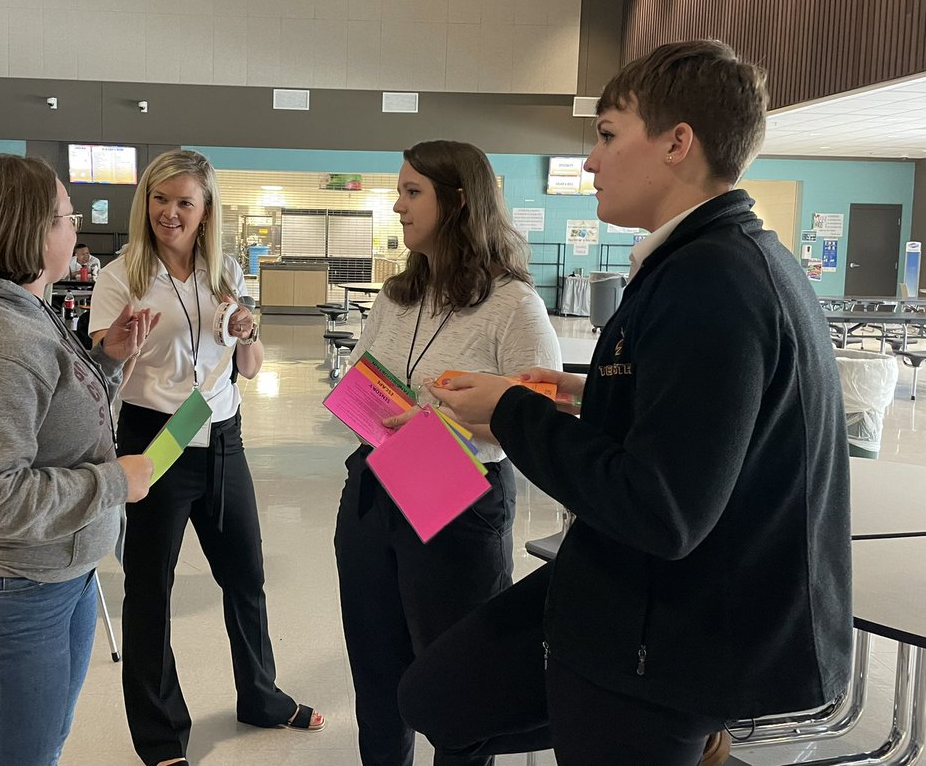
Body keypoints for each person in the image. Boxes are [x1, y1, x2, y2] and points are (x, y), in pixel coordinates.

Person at [403, 40, 852, 766]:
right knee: (438, 695)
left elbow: (663, 508)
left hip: (669, 642)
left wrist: (513, 414)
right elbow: (696, 418)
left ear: (679, 143)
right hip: (631, 608)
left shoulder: (714, 284)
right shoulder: (705, 263)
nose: (589, 161)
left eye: (608, 136)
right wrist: (596, 391)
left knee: (453, 699)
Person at [0, 154, 156, 766]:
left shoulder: (27, 312)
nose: (77, 231)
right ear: (30, 231)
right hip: (9, 587)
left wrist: (107, 362)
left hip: (57, 569)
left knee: (38, 746)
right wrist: (113, 483)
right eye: (69, 217)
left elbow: (52, 420)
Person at [89, 149, 323, 766]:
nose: (170, 213)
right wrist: (117, 346)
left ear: (205, 210)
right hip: (154, 439)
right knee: (151, 590)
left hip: (222, 436)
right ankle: (161, 734)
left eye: (184, 202)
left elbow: (248, 365)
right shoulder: (120, 277)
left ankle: (261, 696)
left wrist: (249, 332)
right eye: (159, 200)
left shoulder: (223, 273)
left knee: (246, 576)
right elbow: (97, 367)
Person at [335, 140, 562, 766]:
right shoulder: (396, 296)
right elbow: (362, 373)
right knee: (375, 667)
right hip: (376, 488)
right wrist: (371, 398)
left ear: (457, 202)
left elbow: (536, 415)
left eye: (413, 192)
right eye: (400, 190)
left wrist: (435, 423)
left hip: (455, 498)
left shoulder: (512, 304)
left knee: (457, 682)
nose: (398, 204)